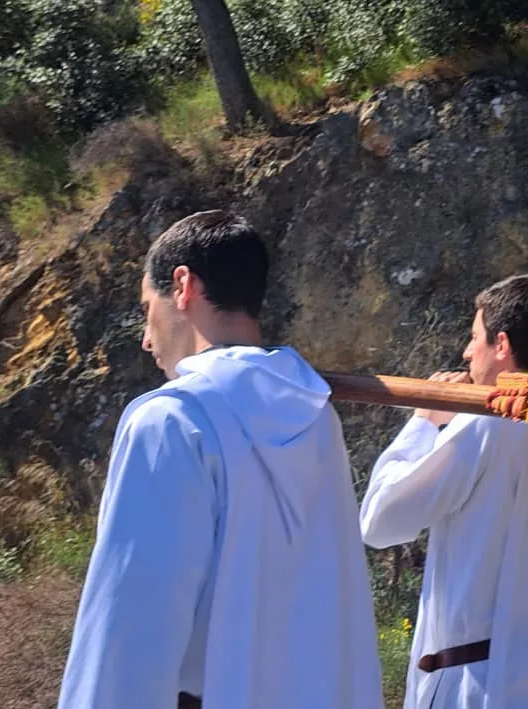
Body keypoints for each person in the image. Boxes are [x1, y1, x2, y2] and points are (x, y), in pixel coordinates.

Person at [59, 210, 383, 709]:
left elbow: (130, 627)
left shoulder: (171, 421)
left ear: (183, 285)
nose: (147, 339)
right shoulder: (316, 419)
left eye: (148, 310)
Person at [361, 274, 528, 709]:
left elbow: (379, 522)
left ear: (501, 345)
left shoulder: (486, 426)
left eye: (474, 338)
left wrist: (424, 420)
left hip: (478, 686)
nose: (467, 353)